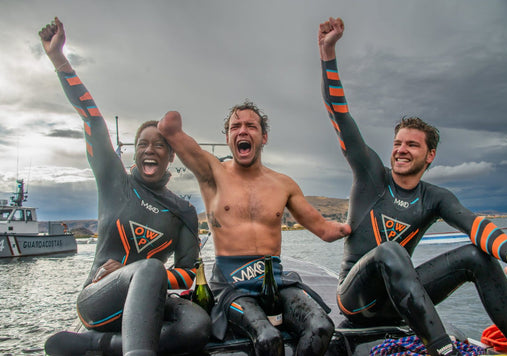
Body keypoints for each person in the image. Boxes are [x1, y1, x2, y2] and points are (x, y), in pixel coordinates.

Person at [318, 16, 507, 356]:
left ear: (430, 155)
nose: (401, 150)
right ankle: (443, 351)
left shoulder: (434, 197)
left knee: (475, 257)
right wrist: (327, 53)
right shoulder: (370, 174)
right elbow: (339, 114)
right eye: (398, 143)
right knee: (390, 250)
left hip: (400, 301)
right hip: (357, 299)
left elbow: (474, 225)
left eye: (412, 145)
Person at [39, 17, 211, 356]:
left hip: (148, 306)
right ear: (135, 152)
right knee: (148, 267)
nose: (150, 150)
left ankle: (98, 346)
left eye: (159, 145)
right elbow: (92, 118)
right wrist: (59, 58)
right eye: (143, 144)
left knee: (197, 327)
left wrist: (156, 280)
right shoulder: (114, 181)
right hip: (100, 297)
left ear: (170, 154)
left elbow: (188, 275)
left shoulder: (183, 211)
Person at [157, 103, 351, 355]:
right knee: (267, 337)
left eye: (251, 126)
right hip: (231, 285)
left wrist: (352, 225)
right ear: (227, 138)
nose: (243, 131)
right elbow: (169, 128)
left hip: (276, 282)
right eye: (235, 127)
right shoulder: (212, 171)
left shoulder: (284, 184)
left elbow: (324, 230)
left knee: (321, 326)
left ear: (264, 137)